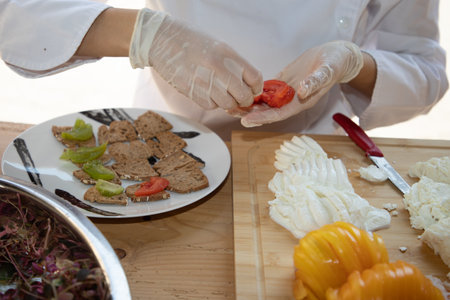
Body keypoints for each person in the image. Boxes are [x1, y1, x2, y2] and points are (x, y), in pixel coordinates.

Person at [0, 1, 447, 141]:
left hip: (318, 156)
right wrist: (145, 33)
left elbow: (425, 70)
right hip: (173, 135)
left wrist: (354, 64)